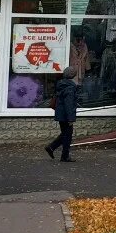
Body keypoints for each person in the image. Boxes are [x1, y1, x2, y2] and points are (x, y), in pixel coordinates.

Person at [45, 32, 89, 163]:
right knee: (67, 135)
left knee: (65, 133)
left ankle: (52, 148)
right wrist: (71, 118)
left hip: (60, 114)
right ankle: (63, 155)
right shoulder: (70, 87)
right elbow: (69, 103)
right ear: (72, 75)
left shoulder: (61, 84)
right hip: (66, 115)